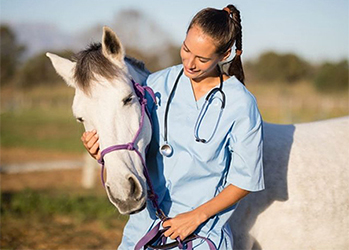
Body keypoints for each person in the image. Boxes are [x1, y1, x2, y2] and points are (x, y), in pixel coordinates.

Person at [82, 4, 264, 249]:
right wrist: (101, 152)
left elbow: (246, 180)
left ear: (224, 56)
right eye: (186, 49)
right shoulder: (155, 84)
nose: (189, 63)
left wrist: (195, 217)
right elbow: (133, 143)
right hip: (143, 230)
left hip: (199, 235)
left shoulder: (241, 104)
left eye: (202, 59)